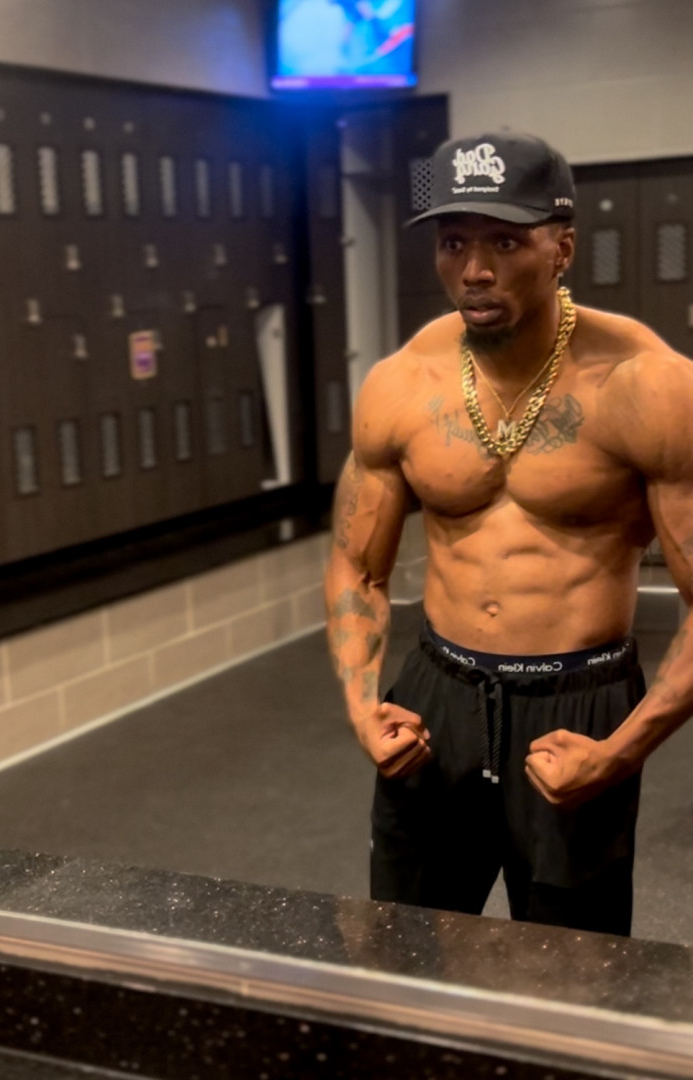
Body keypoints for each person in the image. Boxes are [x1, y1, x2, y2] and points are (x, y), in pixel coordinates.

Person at [323, 131, 693, 936]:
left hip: (578, 701)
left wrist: (622, 750)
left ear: (562, 250)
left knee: (573, 964)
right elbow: (358, 567)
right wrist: (362, 707)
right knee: (404, 941)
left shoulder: (650, 388)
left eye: (504, 242)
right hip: (437, 696)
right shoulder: (401, 384)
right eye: (454, 242)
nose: (474, 270)